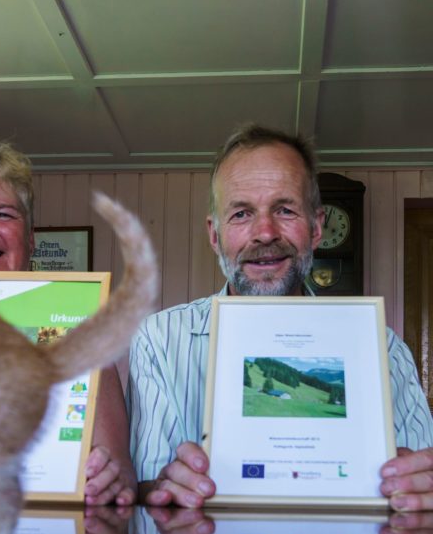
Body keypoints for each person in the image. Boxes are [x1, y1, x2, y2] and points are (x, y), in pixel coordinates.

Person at [127, 124, 433, 510]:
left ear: (317, 227)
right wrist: (163, 488)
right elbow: (143, 486)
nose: (265, 233)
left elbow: (423, 482)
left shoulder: (383, 349)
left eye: (285, 210)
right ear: (215, 235)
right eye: (241, 213)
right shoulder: (159, 340)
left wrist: (420, 484)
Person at [0, 135, 137, 506]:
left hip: (53, 532)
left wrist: (111, 479)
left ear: (30, 237)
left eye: (3, 214)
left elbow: (121, 474)